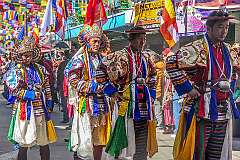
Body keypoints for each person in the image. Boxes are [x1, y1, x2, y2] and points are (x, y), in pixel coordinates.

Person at [166, 10, 240, 160]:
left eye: (226, 27)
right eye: (220, 27)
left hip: (222, 110)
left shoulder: (227, 49)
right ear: (209, 28)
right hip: (201, 109)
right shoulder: (197, 47)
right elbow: (171, 63)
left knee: (215, 154)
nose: (224, 31)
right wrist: (188, 88)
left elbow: (235, 70)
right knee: (198, 152)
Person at [96, 26, 157, 160]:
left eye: (144, 39)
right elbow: (100, 71)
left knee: (141, 140)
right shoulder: (118, 56)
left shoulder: (147, 57)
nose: (142, 43)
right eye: (140, 39)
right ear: (131, 40)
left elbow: (153, 75)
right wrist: (112, 92)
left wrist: (151, 94)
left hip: (143, 105)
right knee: (123, 139)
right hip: (125, 103)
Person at [4, 37, 56, 160]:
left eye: (29, 55)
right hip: (24, 111)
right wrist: (31, 94)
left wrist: (49, 102)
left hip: (40, 110)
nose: (26, 58)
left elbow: (47, 86)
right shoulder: (16, 71)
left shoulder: (41, 69)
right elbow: (14, 90)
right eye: (24, 55)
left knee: (44, 142)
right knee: (24, 142)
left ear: (33, 55)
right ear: (20, 55)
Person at [64, 23, 111, 160]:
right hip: (87, 103)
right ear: (87, 41)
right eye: (94, 41)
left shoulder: (103, 60)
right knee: (85, 137)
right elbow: (73, 80)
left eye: (99, 41)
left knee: (99, 138)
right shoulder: (79, 60)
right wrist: (92, 86)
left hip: (102, 102)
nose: (97, 44)